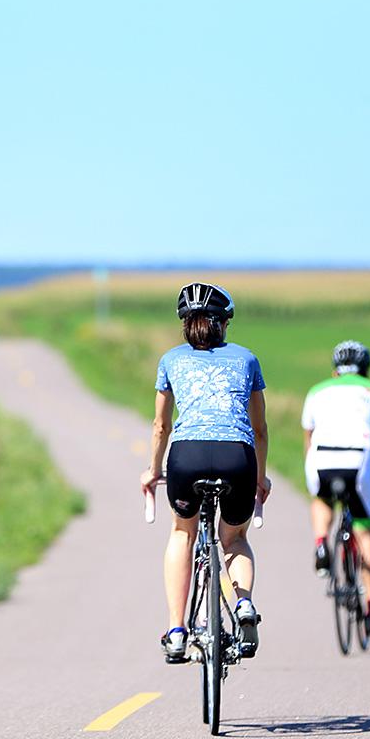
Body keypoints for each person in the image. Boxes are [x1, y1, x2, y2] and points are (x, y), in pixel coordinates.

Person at [139, 282, 272, 663]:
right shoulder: (247, 359)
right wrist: (259, 479)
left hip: (187, 457)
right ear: (224, 324)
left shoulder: (171, 360)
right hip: (237, 457)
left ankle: (177, 630)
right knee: (234, 539)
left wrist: (152, 470)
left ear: (185, 324)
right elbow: (259, 429)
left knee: (183, 532)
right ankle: (244, 605)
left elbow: (160, 426)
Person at [302, 340, 370, 636]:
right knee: (366, 532)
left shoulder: (317, 391)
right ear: (365, 371)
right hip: (359, 460)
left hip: (321, 459)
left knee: (322, 499)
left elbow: (308, 439)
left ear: (336, 371)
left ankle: (321, 542)